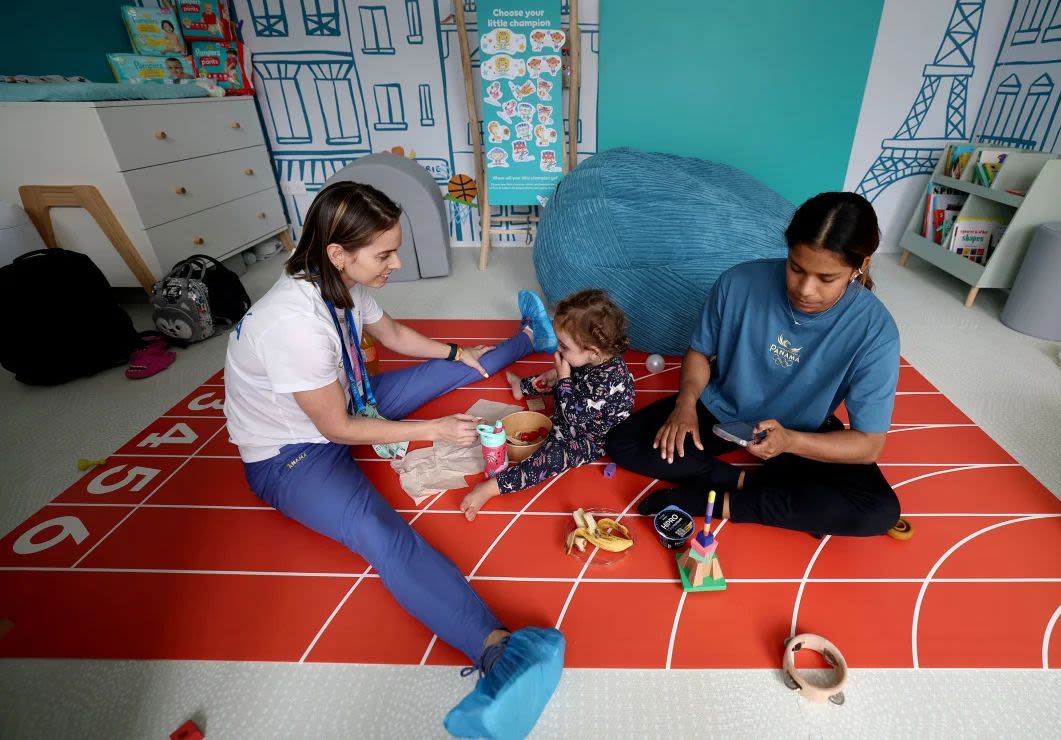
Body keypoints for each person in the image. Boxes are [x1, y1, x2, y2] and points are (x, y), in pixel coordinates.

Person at [223, 181, 565, 738]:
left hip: (347, 401)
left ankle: (531, 336)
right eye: (384, 254)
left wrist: (457, 353)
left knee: (448, 367)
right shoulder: (295, 326)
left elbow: (396, 333)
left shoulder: (336, 280)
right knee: (385, 537)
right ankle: (495, 649)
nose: (397, 262)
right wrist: (434, 428)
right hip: (291, 457)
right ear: (338, 252)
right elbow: (335, 428)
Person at [607, 192, 902, 537]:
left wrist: (790, 441)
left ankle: (717, 503)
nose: (805, 289)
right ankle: (740, 480)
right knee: (624, 443)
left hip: (801, 432)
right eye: (795, 267)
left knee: (879, 511)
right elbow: (700, 352)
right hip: (722, 410)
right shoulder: (739, 283)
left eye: (826, 278)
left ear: (860, 265)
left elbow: (869, 444)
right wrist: (685, 404)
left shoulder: (876, 330)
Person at [460, 289, 635, 519]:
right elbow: (576, 379)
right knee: (553, 376)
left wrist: (564, 379)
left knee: (550, 458)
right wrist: (560, 376)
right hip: (576, 404)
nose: (557, 349)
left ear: (592, 352)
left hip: (590, 437)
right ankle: (521, 387)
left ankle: (491, 488)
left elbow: (574, 416)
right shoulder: (595, 357)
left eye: (564, 346)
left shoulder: (608, 380)